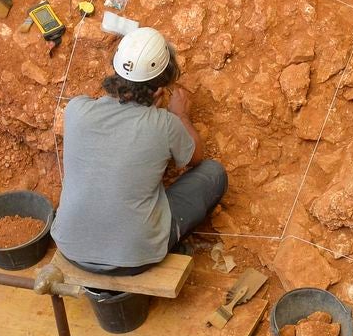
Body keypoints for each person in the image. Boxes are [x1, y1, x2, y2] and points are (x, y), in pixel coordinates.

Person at [51, 28, 227, 275]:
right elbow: (196, 158)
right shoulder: (164, 124)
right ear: (158, 90)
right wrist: (181, 114)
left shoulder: (76, 109)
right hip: (134, 258)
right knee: (213, 172)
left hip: (70, 247)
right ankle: (168, 243)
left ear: (116, 72)